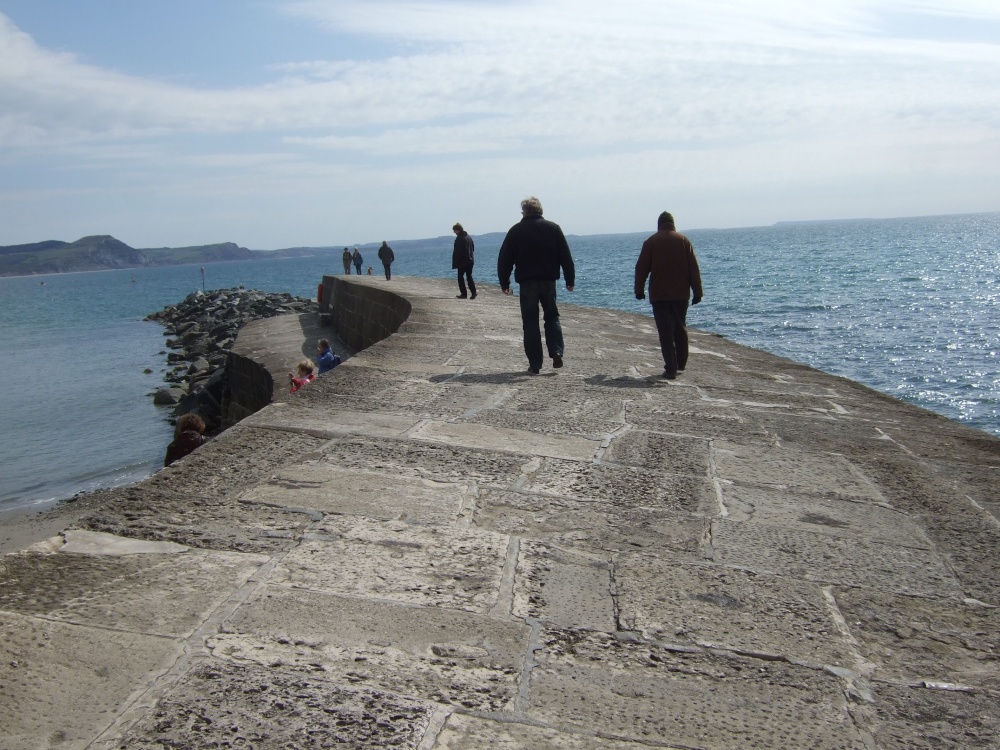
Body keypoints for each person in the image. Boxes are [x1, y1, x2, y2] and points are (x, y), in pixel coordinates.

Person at [497, 196, 575, 374]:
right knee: (552, 317)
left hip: (527, 283)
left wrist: (504, 282)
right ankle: (556, 351)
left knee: (530, 323)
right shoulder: (553, 228)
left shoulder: (516, 231)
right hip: (548, 281)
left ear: (524, 212)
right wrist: (570, 280)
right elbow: (566, 256)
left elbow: (505, 259)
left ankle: (535, 363)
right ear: (540, 211)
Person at [634, 211, 703, 380]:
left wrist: (639, 290)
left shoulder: (651, 242)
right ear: (673, 224)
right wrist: (698, 292)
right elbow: (693, 269)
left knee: (665, 332)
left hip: (660, 294)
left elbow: (641, 269)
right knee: (680, 327)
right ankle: (681, 363)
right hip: (681, 294)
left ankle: (670, 368)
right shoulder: (683, 241)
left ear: (659, 224)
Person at [452, 222, 477, 299]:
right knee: (469, 277)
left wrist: (456, 261)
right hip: (470, 260)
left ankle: (464, 294)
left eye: (454, 230)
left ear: (458, 230)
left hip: (463, 261)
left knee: (460, 277)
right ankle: (473, 293)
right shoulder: (468, 237)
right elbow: (473, 248)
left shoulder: (460, 238)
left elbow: (458, 251)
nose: (454, 232)